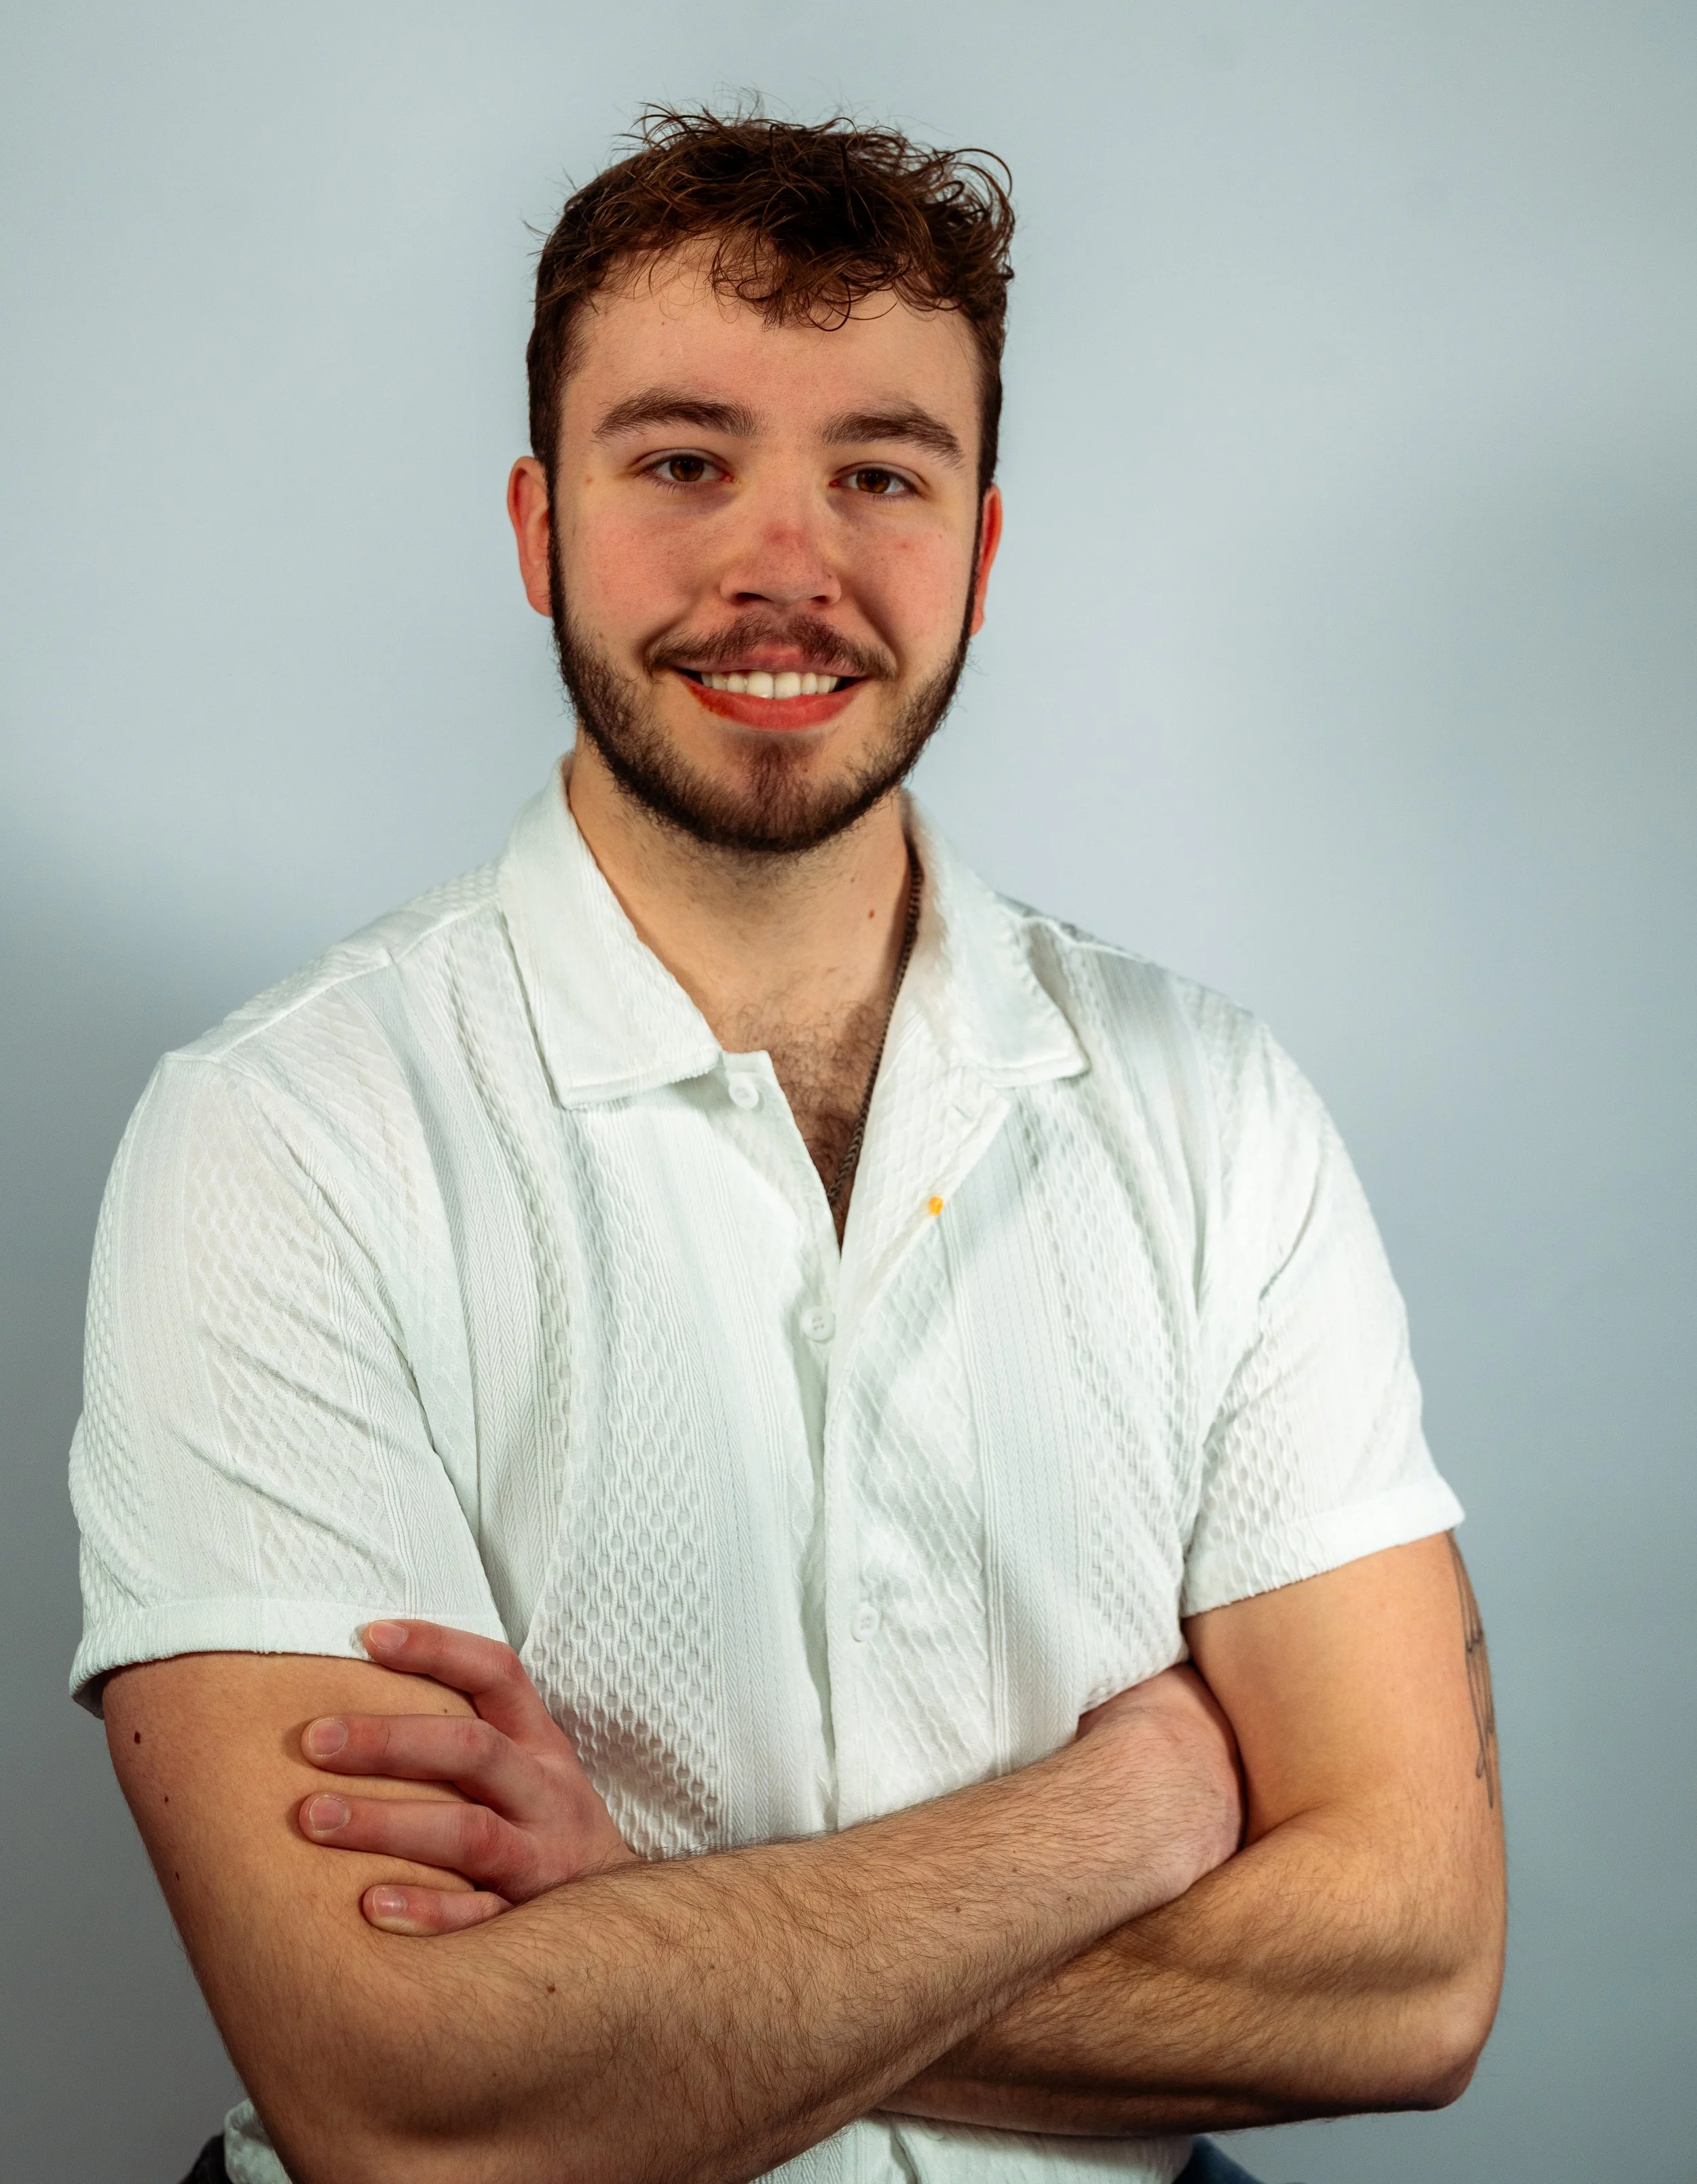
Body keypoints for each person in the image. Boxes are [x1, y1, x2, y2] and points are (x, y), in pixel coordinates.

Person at [72, 108, 1504, 2184]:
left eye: (880, 472)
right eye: (678, 460)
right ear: (534, 525)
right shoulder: (283, 1136)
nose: (783, 560)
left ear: (981, 551)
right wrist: (1134, 1808)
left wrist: (635, 1960)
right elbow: (405, 2095)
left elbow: (1412, 1974)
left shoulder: (1213, 1107)